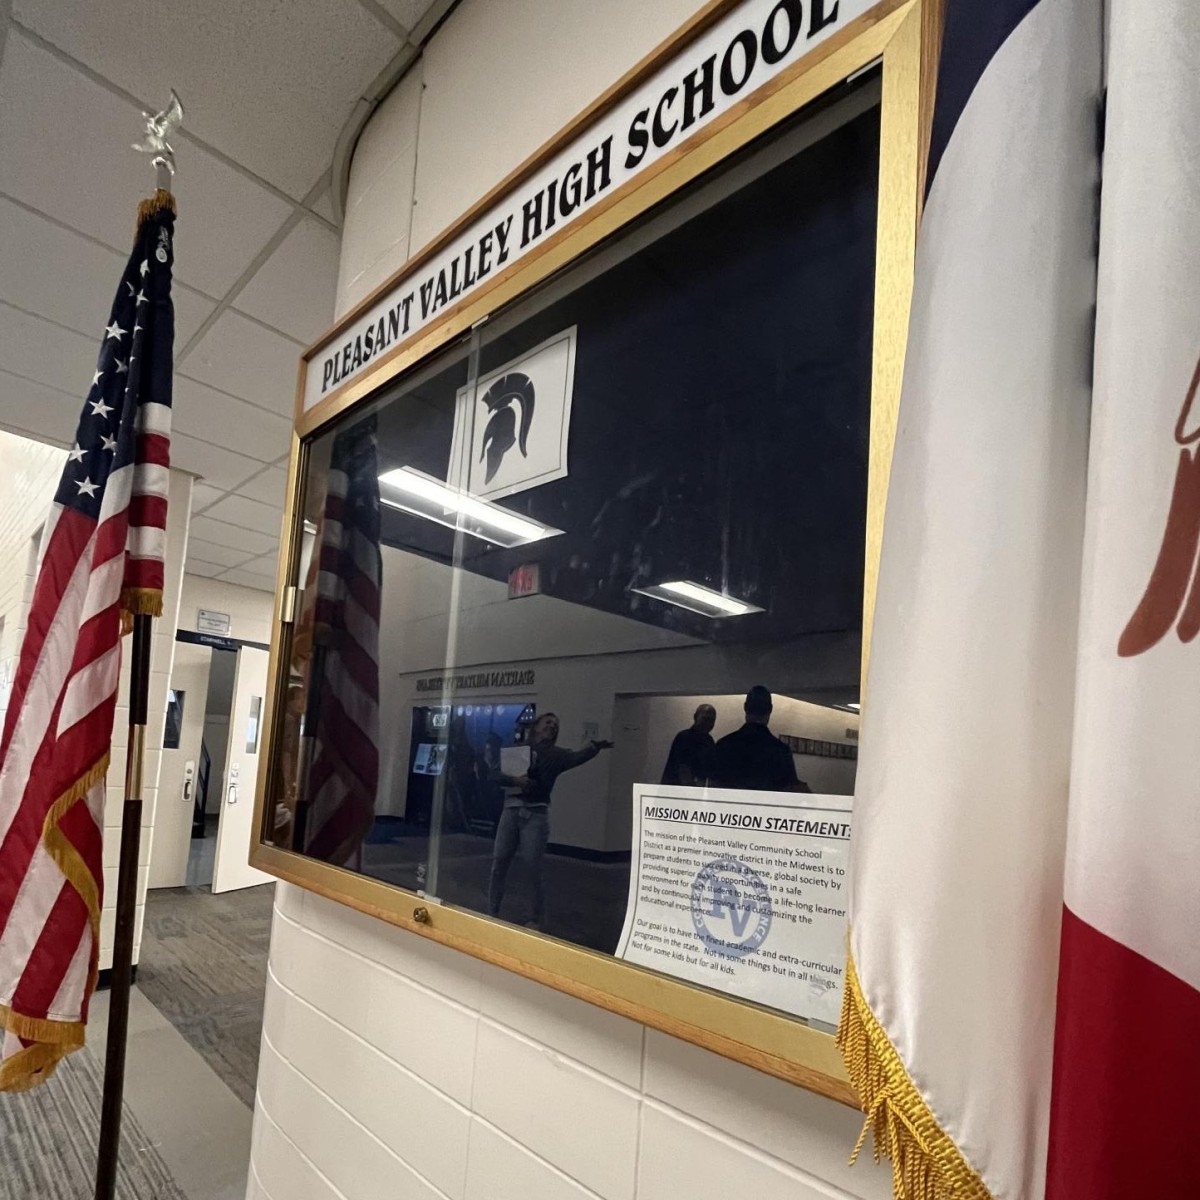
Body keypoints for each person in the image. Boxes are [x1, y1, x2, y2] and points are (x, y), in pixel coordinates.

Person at [487, 712, 612, 928]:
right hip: (511, 810)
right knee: (499, 862)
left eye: (555, 724)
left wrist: (593, 747)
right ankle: (492, 910)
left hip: (536, 813)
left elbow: (577, 757)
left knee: (532, 867)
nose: (551, 726)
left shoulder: (556, 755)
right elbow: (494, 775)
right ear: (535, 727)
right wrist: (514, 780)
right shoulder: (519, 750)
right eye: (548, 722)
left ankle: (535, 918)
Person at [709, 686, 811, 793]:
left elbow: (713, 786)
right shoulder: (780, 751)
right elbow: (789, 791)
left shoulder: (724, 745)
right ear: (770, 709)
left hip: (729, 809)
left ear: (745, 707)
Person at [660, 703, 716, 785]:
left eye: (711, 720)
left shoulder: (708, 740)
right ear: (695, 717)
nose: (708, 723)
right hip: (679, 790)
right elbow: (683, 770)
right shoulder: (684, 737)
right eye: (705, 719)